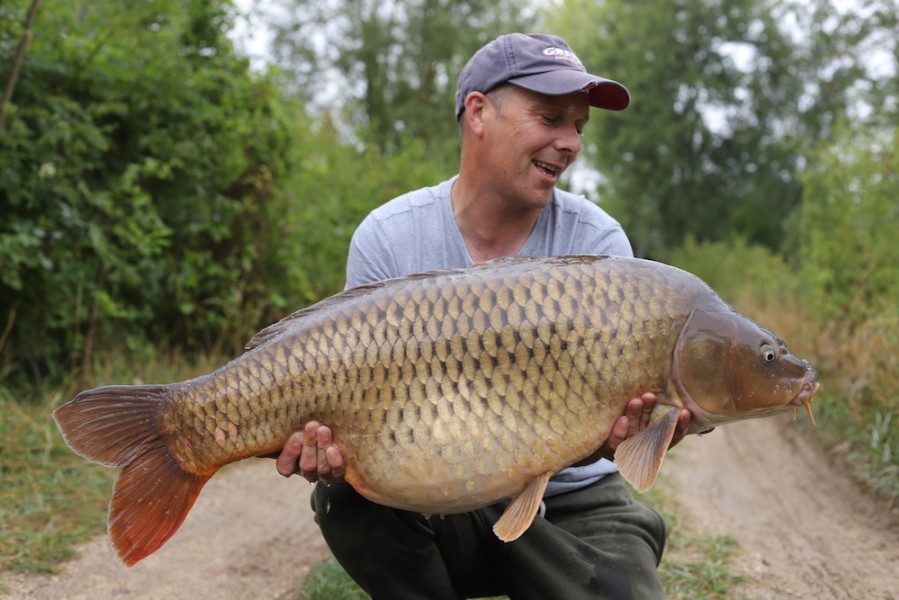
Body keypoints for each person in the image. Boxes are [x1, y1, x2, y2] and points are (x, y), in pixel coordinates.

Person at [276, 33, 697, 599]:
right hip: (440, 498)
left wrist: (619, 436)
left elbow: (620, 428)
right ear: (478, 113)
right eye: (551, 117)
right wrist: (327, 448)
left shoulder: (597, 245)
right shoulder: (390, 237)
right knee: (347, 497)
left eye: (579, 126)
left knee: (620, 587)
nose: (569, 142)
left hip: (575, 502)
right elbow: (346, 407)